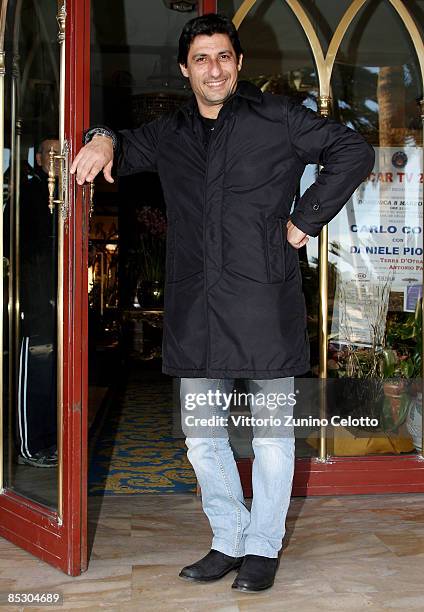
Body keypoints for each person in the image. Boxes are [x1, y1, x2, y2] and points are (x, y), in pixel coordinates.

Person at [71, 14, 374, 593]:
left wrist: (303, 220)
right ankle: (227, 538)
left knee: (271, 436)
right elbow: (119, 147)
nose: (215, 68)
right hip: (197, 308)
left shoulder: (278, 118)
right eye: (202, 59)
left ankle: (263, 547)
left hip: (263, 302)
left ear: (238, 63)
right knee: (204, 437)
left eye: (224, 57)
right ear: (186, 70)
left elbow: (351, 150)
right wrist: (102, 135)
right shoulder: (171, 132)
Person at [17, 137, 59, 468]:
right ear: (40, 157)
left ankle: (50, 441)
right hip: (35, 304)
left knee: (53, 379)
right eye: (51, 152)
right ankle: (31, 445)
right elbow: (19, 250)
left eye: (62, 152)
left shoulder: (63, 197)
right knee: (36, 375)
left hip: (58, 304)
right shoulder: (29, 193)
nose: (57, 157)